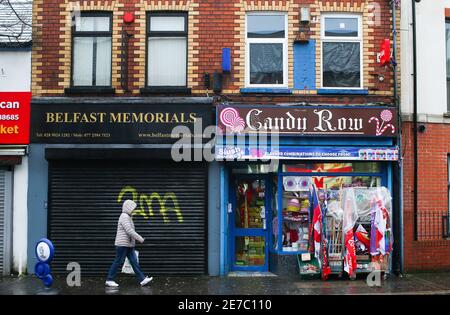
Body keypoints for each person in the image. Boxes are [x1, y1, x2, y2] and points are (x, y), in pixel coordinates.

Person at [105, 199, 153, 287]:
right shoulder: (124, 216)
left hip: (128, 244)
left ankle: (142, 279)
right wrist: (140, 239)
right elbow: (129, 231)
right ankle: (109, 279)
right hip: (122, 244)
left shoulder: (128, 216)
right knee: (118, 261)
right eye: (132, 208)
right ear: (128, 208)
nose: (133, 210)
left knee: (134, 262)